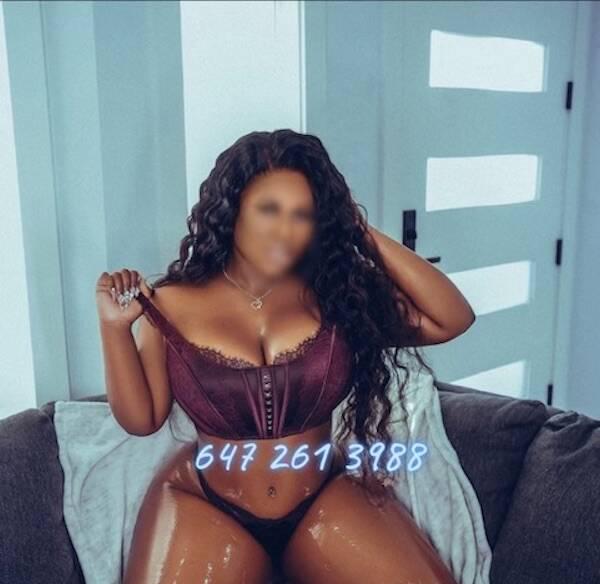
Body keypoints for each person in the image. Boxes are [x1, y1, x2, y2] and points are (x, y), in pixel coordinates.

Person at [96, 129, 474, 584]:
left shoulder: (337, 297)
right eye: (269, 210)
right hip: (206, 505)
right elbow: (142, 420)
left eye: (303, 215)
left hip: (324, 497)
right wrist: (114, 329)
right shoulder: (169, 304)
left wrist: (355, 228)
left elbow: (452, 318)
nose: (285, 230)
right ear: (232, 210)